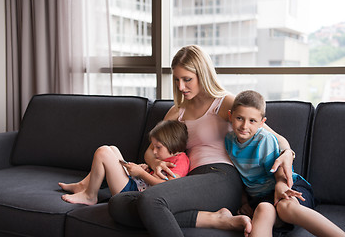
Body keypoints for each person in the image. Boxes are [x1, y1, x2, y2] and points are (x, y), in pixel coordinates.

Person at [108, 45, 296, 237]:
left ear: (203, 74)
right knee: (118, 204)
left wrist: (288, 153)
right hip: (189, 181)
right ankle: (217, 220)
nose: (181, 86)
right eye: (177, 80)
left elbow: (276, 138)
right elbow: (150, 151)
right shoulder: (176, 112)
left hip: (222, 178)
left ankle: (217, 217)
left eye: (187, 79)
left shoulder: (223, 103)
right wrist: (156, 163)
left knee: (149, 200)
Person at [225, 90, 345, 237]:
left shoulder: (264, 139)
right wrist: (244, 202)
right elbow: (239, 176)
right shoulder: (229, 141)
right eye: (239, 118)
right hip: (262, 199)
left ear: (262, 123)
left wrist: (281, 186)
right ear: (230, 116)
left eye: (252, 121)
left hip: (288, 185)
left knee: (285, 207)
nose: (244, 126)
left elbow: (278, 168)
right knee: (263, 209)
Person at [59, 120, 189, 205]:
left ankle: (89, 196)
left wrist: (142, 174)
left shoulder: (180, 161)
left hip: (134, 194)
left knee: (103, 152)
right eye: (153, 146)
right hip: (137, 183)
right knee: (112, 149)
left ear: (174, 144)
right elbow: (156, 175)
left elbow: (168, 187)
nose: (154, 152)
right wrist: (144, 169)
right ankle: (82, 186)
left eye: (158, 147)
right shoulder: (167, 156)